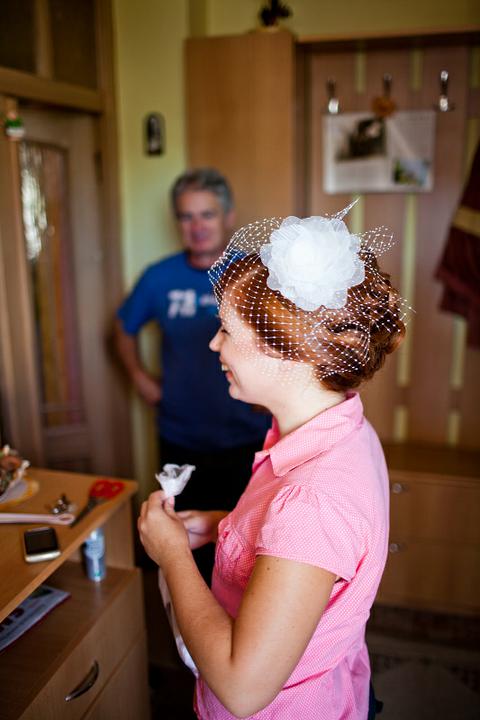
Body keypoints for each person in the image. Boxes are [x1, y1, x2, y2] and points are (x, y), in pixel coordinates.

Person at [138, 205, 407, 719]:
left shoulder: (312, 500)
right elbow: (303, 555)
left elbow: (243, 688)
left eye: (227, 330)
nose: (214, 344)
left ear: (286, 351)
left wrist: (172, 556)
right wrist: (223, 526)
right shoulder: (341, 425)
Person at [115, 168, 271, 580]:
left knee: (246, 549)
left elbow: (283, 340)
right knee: (182, 544)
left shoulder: (255, 273)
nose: (197, 226)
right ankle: (187, 619)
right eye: (186, 216)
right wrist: (140, 378)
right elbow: (122, 328)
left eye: (207, 214)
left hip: (248, 436)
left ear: (228, 216)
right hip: (180, 436)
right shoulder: (159, 277)